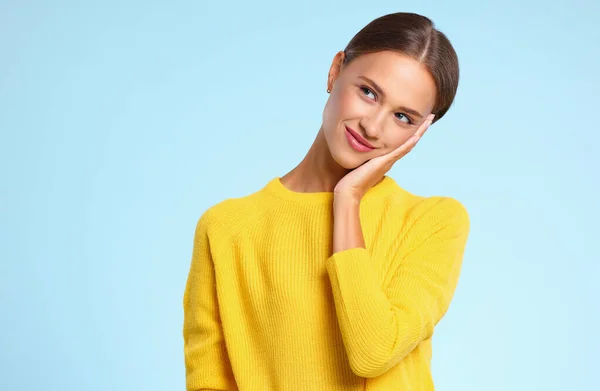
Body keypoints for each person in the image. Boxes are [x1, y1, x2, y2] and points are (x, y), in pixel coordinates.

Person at [182, 11, 470, 391]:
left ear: (421, 131)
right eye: (368, 92)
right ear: (336, 71)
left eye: (402, 117)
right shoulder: (226, 228)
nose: (373, 126)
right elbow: (209, 382)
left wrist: (347, 200)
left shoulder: (433, 221)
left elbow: (372, 351)